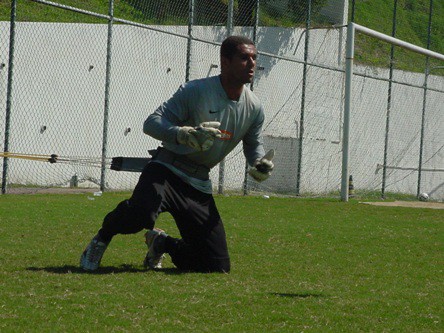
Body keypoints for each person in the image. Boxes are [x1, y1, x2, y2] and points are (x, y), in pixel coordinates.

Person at [80, 35, 274, 273]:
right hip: (166, 170)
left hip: (199, 184)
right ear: (225, 61)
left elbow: (253, 144)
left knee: (215, 266)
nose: (252, 63)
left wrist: (258, 163)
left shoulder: (254, 107)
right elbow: (151, 123)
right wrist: (182, 134)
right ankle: (101, 238)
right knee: (140, 215)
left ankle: (161, 243)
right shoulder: (196, 90)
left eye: (254, 58)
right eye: (244, 58)